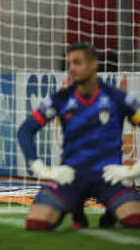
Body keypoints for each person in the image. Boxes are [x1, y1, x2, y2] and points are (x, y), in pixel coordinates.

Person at [17, 42, 140, 230]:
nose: (71, 68)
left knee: (134, 220)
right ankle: (77, 211)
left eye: (77, 62)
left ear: (93, 65)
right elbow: (25, 130)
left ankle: (111, 211)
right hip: (71, 177)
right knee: (36, 223)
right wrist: (39, 167)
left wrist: (133, 170)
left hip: (109, 177)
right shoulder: (61, 99)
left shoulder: (117, 98)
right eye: (69, 64)